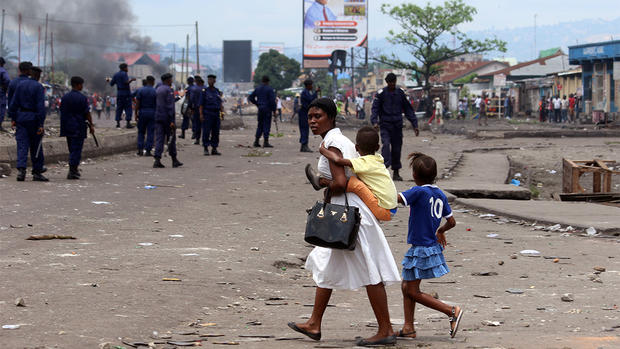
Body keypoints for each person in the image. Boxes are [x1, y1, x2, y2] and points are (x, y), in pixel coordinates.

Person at [288, 98, 401, 347]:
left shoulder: (332, 143)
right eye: (310, 117)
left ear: (331, 117)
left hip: (350, 217)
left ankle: (386, 329)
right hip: (347, 212)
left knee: (371, 270)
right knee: (326, 264)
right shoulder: (338, 140)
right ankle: (314, 323)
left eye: (318, 116)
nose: (313, 121)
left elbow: (340, 182)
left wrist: (321, 183)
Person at [396, 152, 463, 339]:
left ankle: (451, 310)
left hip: (420, 248)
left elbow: (398, 199)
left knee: (412, 290)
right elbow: (452, 222)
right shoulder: (440, 194)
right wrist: (440, 231)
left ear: (415, 176)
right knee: (406, 286)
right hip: (430, 246)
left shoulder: (418, 191)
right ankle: (408, 328)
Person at [316, 126, 397, 222]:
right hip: (392, 208)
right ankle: (328, 191)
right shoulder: (378, 159)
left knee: (353, 182)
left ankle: (323, 182)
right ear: (378, 147)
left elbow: (337, 160)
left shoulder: (363, 162)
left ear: (356, 148)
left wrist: (323, 150)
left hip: (384, 210)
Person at [371, 73, 419, 181]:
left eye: (393, 82)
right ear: (387, 82)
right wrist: (374, 122)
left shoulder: (400, 93)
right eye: (390, 82)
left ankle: (396, 173)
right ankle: (384, 169)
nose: (392, 84)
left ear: (395, 82)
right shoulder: (381, 94)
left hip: (397, 126)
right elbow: (375, 109)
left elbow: (408, 109)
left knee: (397, 149)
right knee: (386, 146)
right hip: (385, 125)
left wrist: (414, 124)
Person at [9, 65, 47, 182]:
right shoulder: (39, 87)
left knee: (22, 145)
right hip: (34, 120)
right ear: (38, 75)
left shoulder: (20, 85)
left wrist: (14, 118)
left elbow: (13, 104)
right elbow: (41, 107)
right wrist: (41, 124)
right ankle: (37, 172)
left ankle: (21, 171)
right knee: (36, 146)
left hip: (21, 118)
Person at [60, 76, 95, 180]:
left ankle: (73, 169)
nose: (82, 86)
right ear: (78, 85)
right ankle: (72, 171)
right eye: (81, 84)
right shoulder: (82, 98)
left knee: (71, 148)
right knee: (76, 149)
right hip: (78, 127)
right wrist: (91, 124)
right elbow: (87, 113)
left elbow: (62, 111)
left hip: (67, 126)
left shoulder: (65, 97)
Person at [153, 73, 183, 169]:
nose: (172, 81)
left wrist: (178, 97)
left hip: (158, 117)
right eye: (171, 79)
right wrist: (172, 121)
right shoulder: (168, 90)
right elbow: (170, 106)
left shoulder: (158, 89)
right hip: (167, 118)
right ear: (168, 80)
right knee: (171, 139)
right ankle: (174, 159)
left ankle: (157, 159)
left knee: (159, 139)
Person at [248, 75, 277, 148]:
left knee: (260, 125)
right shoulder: (270, 89)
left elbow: (251, 97)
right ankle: (266, 142)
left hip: (260, 108)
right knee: (266, 124)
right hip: (267, 109)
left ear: (262, 81)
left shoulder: (257, 88)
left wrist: (257, 104)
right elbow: (272, 101)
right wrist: (274, 111)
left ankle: (256, 141)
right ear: (268, 82)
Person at [200, 74, 224, 156]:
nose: (210, 81)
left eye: (211, 79)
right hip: (207, 114)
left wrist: (222, 112)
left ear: (214, 81)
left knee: (216, 132)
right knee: (206, 131)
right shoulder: (204, 91)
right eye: (209, 79)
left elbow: (220, 102)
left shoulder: (217, 91)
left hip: (216, 114)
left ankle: (214, 148)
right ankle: (206, 148)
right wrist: (201, 114)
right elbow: (201, 104)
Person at [135, 75, 157, 157]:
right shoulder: (155, 91)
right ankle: (148, 150)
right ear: (152, 81)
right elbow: (157, 104)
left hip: (142, 112)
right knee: (150, 132)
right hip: (152, 113)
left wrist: (135, 113)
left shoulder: (140, 90)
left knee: (141, 131)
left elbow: (137, 103)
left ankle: (140, 150)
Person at [108, 63, 135, 129]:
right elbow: (126, 82)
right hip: (126, 93)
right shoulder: (124, 74)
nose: (127, 69)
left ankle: (118, 124)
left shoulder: (116, 74)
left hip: (119, 93)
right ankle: (128, 123)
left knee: (119, 108)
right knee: (128, 108)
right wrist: (132, 80)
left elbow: (111, 84)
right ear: (124, 68)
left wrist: (108, 80)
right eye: (127, 67)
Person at [299, 79, 319, 153]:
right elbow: (311, 99)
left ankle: (304, 145)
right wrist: (316, 92)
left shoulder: (307, 92)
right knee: (304, 129)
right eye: (311, 85)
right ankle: (304, 145)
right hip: (303, 113)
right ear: (308, 85)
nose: (312, 86)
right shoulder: (305, 93)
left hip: (305, 113)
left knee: (305, 129)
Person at [191, 76, 205, 144]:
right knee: (205, 124)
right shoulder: (205, 88)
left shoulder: (194, 89)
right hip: (204, 109)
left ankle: (197, 139)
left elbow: (192, 99)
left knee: (197, 124)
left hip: (196, 108)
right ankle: (205, 139)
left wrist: (191, 108)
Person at [0, 57, 10, 132]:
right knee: (1, 107)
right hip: (0, 92)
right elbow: (7, 80)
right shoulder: (2, 71)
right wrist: (5, 88)